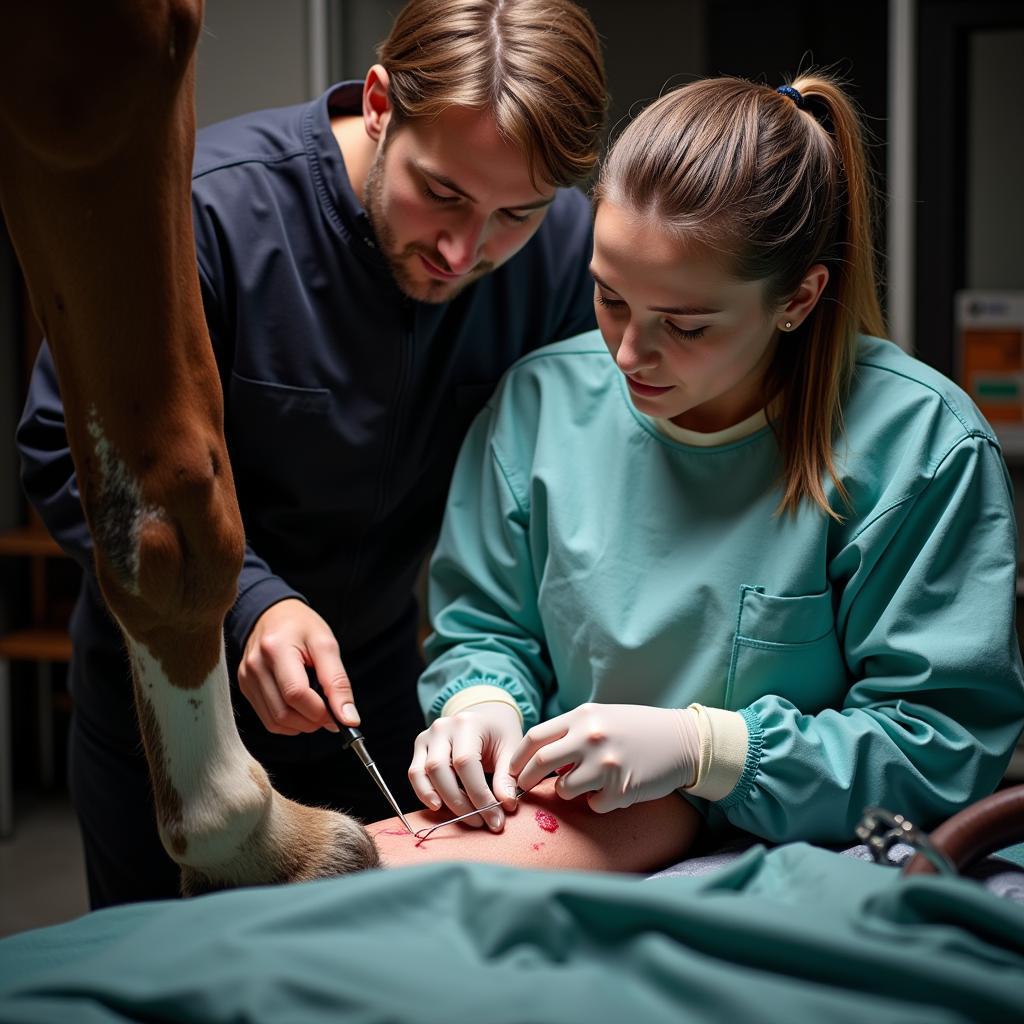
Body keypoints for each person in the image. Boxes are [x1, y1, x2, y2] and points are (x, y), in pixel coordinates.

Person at [17, 0, 606, 908]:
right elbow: (61, 445)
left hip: (374, 708)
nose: (463, 250)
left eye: (512, 215)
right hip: (173, 713)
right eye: (442, 193)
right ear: (378, 103)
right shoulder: (208, 211)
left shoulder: (562, 255)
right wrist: (248, 604)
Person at [409, 73, 1024, 855]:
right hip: (573, 840)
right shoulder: (542, 405)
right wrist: (482, 701)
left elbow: (942, 743)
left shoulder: (918, 447)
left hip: (809, 863)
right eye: (609, 299)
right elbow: (485, 626)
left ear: (798, 300)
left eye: (687, 326)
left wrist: (713, 752)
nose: (629, 353)